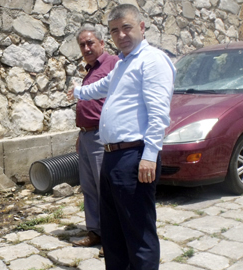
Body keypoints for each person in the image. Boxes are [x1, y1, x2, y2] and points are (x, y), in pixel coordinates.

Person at [67, 4, 175, 269]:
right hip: (113, 156)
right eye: (115, 30)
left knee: (138, 233)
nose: (121, 35)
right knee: (114, 234)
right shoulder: (124, 64)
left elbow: (159, 113)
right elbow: (103, 87)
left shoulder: (152, 60)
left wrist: (150, 155)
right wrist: (79, 92)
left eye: (126, 27)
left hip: (134, 157)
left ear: (141, 26)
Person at [70, 25, 119, 255]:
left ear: (102, 43)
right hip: (87, 135)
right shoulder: (89, 70)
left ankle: (112, 239)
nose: (86, 48)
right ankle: (95, 232)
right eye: (82, 44)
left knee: (105, 190)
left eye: (90, 43)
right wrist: (82, 134)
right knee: (89, 188)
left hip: (103, 135)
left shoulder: (113, 64)